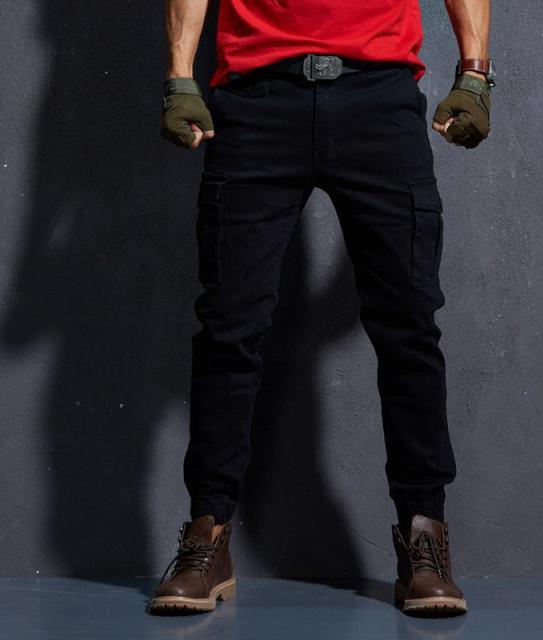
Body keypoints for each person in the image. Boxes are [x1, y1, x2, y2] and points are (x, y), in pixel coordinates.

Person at [149, 0, 493, 617]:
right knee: (229, 327)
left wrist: (474, 74)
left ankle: (425, 536)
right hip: (257, 99)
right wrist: (179, 76)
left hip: (378, 97)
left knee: (409, 326)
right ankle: (208, 534)